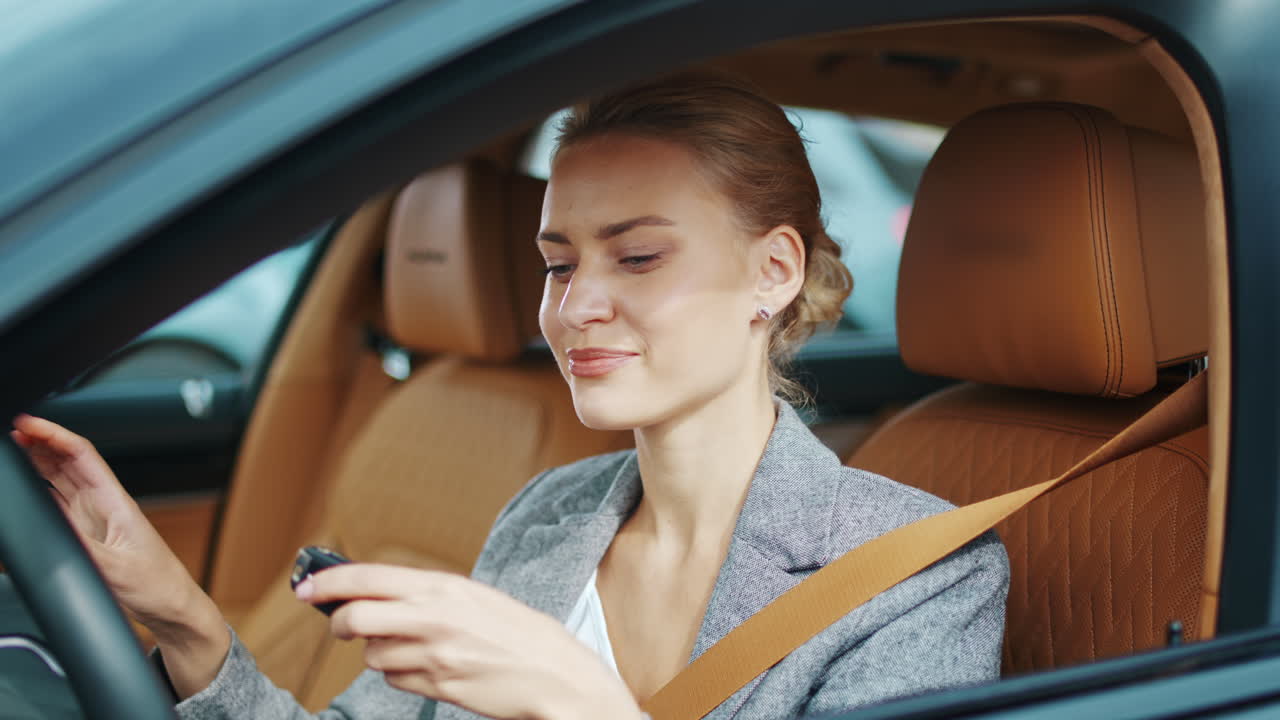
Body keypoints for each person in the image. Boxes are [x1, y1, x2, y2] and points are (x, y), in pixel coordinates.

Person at [10, 73, 1008, 719]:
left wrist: (576, 704)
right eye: (556, 262)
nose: (576, 305)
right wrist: (176, 615)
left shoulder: (916, 575)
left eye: (639, 255)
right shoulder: (548, 516)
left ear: (772, 272)